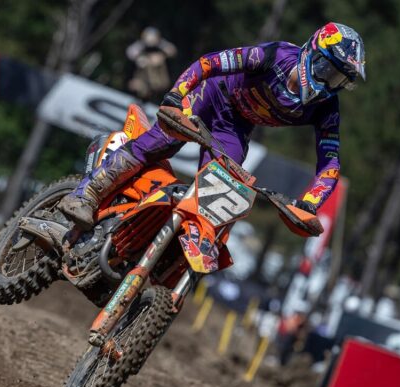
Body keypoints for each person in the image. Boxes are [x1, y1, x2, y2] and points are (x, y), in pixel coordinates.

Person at [58, 22, 365, 231]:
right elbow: (210, 63)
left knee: (219, 192)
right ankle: (86, 194)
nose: (328, 83)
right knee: (162, 140)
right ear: (312, 51)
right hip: (210, 96)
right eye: (327, 69)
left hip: (235, 125)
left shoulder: (326, 106)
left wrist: (310, 203)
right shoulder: (275, 56)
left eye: (338, 79)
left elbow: (331, 162)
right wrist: (175, 96)